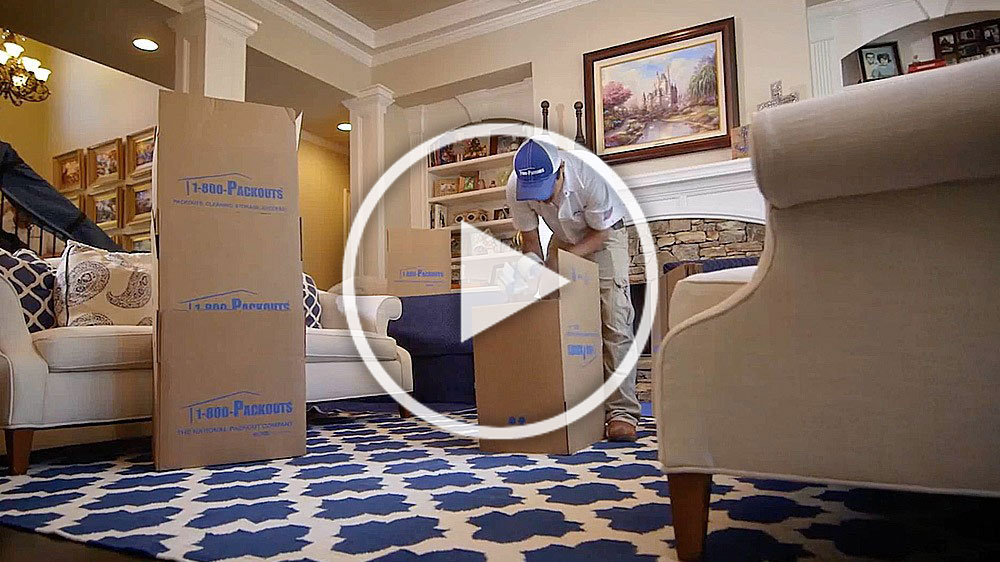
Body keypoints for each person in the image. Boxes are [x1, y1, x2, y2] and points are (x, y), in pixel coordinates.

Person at [506, 137, 641, 442]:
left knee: (614, 317)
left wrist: (565, 261)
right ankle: (568, 404)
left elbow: (601, 234)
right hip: (563, 236)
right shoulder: (516, 186)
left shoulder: (590, 177)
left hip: (604, 235)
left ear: (560, 171)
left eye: (545, 189)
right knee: (558, 318)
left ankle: (621, 413)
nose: (541, 199)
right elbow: (530, 240)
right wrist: (536, 274)